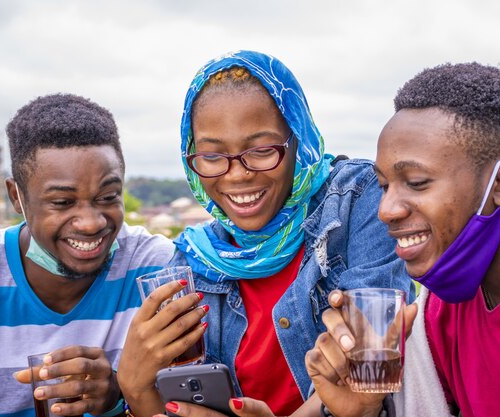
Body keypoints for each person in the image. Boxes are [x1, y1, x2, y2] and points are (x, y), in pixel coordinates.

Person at [117, 50, 413, 417]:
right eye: (212, 156)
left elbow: (371, 369)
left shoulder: (357, 199)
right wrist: (134, 387)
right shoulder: (193, 261)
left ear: (297, 140)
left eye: (260, 150)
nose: (238, 174)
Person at [306, 62, 500, 417]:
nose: (386, 210)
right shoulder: (436, 311)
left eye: (416, 182)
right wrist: (365, 411)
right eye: (385, 186)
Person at [0, 94, 175, 417]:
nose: (91, 222)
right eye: (63, 203)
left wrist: (116, 397)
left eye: (108, 196)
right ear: (17, 197)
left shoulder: (155, 269)